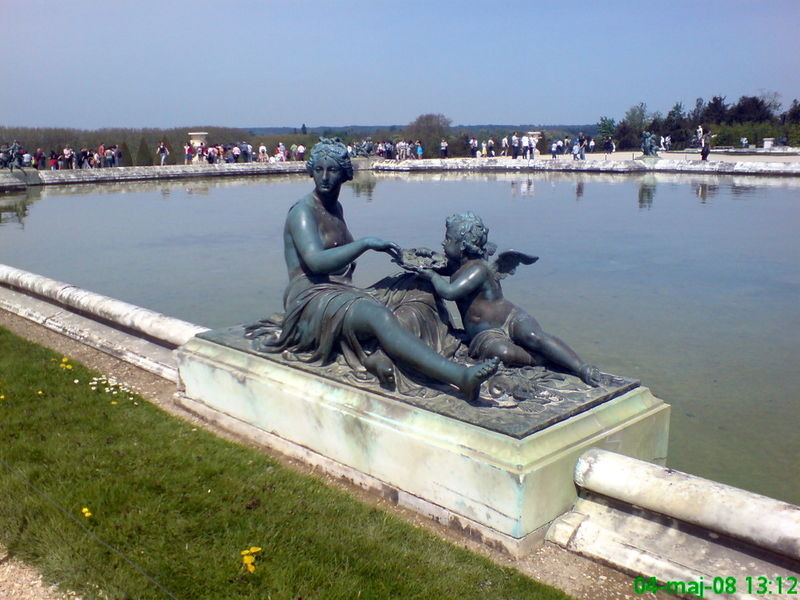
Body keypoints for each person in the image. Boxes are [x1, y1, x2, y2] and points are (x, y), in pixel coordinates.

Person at [246, 138, 499, 401]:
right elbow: (316, 262)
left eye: (332, 170)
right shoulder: (302, 212)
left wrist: (409, 258)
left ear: (344, 174)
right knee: (379, 316)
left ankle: (380, 355)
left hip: (340, 290)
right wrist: (365, 244)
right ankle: (460, 377)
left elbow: (342, 254)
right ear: (311, 170)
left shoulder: (335, 208)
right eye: (319, 169)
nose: (324, 177)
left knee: (419, 287)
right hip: (311, 298)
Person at [416, 212, 600, 386]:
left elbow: (449, 292)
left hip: (511, 318)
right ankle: (540, 359)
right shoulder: (457, 266)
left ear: (463, 245)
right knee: (501, 352)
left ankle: (580, 367)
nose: (443, 242)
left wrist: (431, 276)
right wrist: (425, 256)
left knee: (534, 336)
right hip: (485, 334)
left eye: (448, 239)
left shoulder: (478, 269)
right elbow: (440, 265)